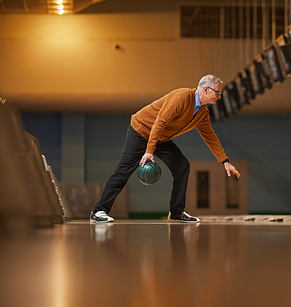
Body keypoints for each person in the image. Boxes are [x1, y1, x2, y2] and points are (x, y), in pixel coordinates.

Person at [90, 74, 241, 223]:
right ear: (206, 89)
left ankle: (176, 211)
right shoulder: (181, 97)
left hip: (161, 137)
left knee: (182, 166)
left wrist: (225, 161)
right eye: (217, 92)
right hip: (142, 130)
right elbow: (159, 122)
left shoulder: (202, 112)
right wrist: (149, 151)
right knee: (124, 169)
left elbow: (210, 136)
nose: (219, 96)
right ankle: (99, 210)